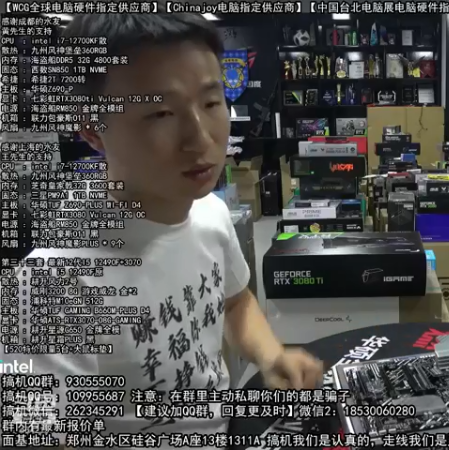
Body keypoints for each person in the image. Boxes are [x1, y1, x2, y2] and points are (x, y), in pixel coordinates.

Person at [1, 12, 323, 448]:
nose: (200, 138)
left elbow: (234, 302)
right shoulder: (49, 288)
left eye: (211, 103)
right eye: (161, 113)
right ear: (92, 129)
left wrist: (271, 355)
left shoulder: (210, 213)